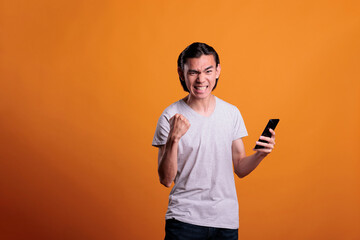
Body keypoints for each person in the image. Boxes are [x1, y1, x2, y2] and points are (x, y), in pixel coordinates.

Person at [152, 42, 276, 240]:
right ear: (181, 73)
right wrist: (174, 138)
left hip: (225, 222)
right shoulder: (170, 116)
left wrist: (260, 154)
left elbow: (240, 168)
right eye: (193, 72)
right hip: (184, 221)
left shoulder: (231, 113)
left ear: (217, 71)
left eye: (208, 71)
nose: (201, 79)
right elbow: (166, 180)